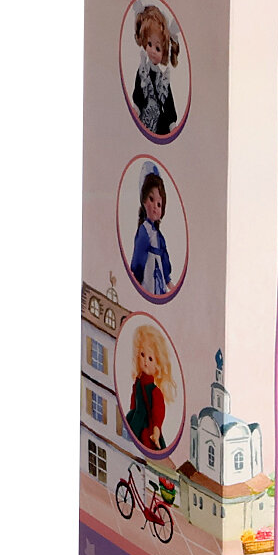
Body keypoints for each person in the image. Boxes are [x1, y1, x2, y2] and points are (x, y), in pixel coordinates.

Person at [130, 3, 180, 136]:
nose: (152, 51)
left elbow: (168, 103)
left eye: (157, 48)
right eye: (149, 44)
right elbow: (138, 93)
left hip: (159, 125)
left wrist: (172, 124)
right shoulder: (143, 72)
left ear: (164, 52)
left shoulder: (163, 80)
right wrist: (136, 109)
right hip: (144, 118)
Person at [125, 323, 173, 452]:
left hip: (147, 429)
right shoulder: (138, 382)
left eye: (150, 358)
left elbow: (158, 412)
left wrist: (156, 430)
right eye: (142, 355)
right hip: (135, 420)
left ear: (158, 366)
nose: (145, 361)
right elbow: (134, 402)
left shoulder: (154, 391)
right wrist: (132, 412)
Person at [129, 165, 173, 297]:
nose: (155, 206)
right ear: (144, 201)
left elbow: (164, 256)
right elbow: (139, 255)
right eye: (151, 199)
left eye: (159, 204)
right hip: (147, 276)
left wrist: (168, 280)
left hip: (159, 276)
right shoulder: (144, 231)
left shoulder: (159, 235)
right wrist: (136, 277)